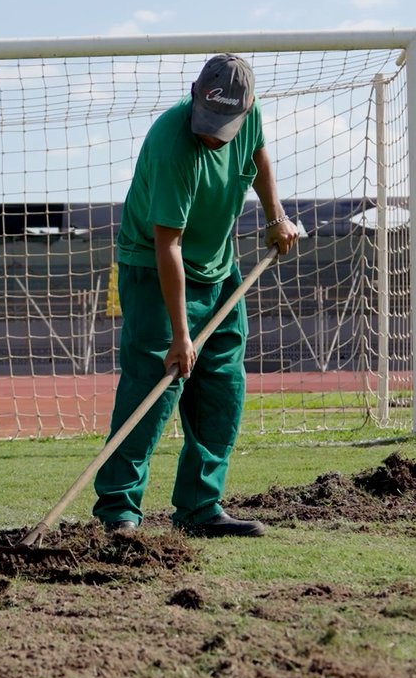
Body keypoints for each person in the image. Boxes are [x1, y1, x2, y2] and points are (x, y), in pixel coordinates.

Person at [92, 54, 300, 538]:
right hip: (154, 268)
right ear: (194, 94)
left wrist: (276, 217)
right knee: (155, 386)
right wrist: (181, 336)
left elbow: (258, 154)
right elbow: (169, 244)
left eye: (224, 125)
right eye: (208, 122)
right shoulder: (172, 145)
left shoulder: (251, 117)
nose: (213, 134)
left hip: (219, 265)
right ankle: (118, 510)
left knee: (222, 388)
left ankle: (200, 507)